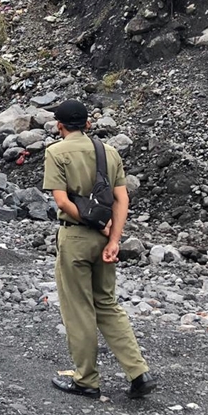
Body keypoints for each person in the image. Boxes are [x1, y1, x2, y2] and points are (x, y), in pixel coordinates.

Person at [43, 99, 156, 399]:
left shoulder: (55, 152)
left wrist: (94, 226)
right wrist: (114, 239)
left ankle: (86, 380)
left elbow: (63, 202)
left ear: (60, 125)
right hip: (106, 239)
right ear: (88, 124)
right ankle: (138, 372)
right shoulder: (109, 152)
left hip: (76, 238)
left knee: (79, 309)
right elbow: (122, 200)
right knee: (107, 304)